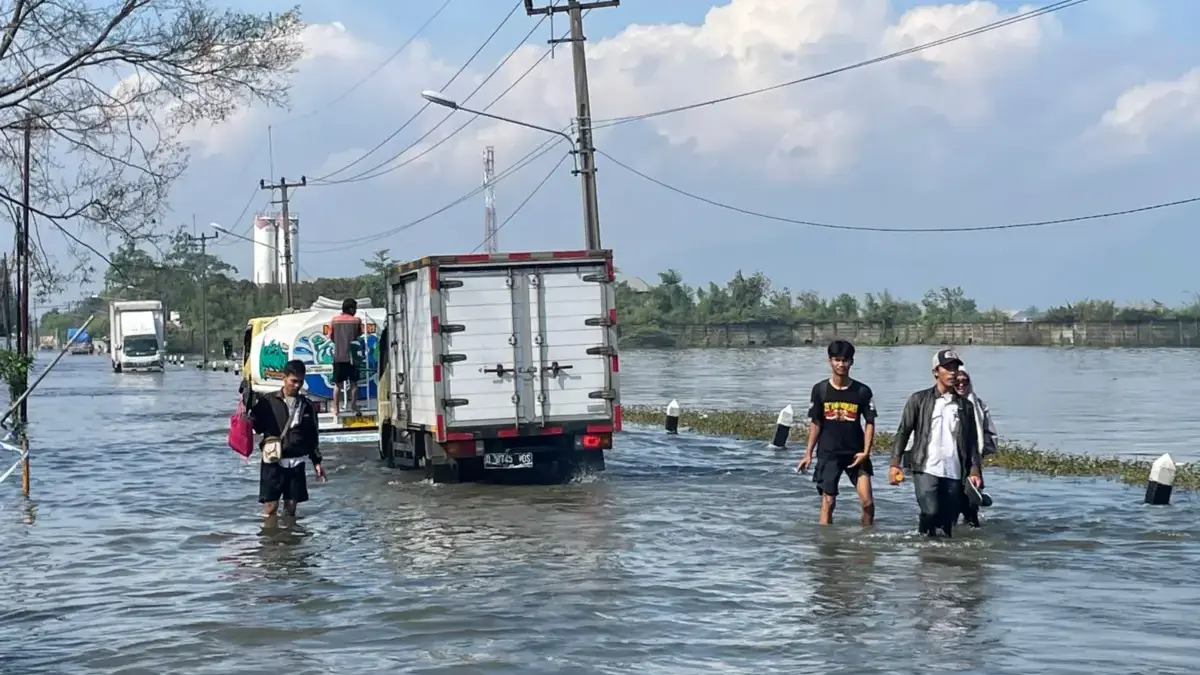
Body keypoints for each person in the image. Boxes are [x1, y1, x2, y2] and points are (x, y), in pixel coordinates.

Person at [887, 349, 983, 537]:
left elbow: (972, 442)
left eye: (955, 367)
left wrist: (974, 471)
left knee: (947, 522)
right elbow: (903, 431)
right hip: (926, 467)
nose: (953, 372)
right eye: (947, 368)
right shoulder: (919, 400)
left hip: (954, 471)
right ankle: (923, 544)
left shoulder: (965, 406)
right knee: (930, 511)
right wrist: (894, 464)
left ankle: (939, 560)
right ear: (935, 372)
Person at [796, 340, 878, 526]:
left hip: (856, 453)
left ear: (852, 362)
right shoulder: (820, 390)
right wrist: (808, 453)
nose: (841, 364)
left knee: (868, 503)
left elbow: (870, 422)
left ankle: (866, 543)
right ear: (830, 361)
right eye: (837, 360)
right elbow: (816, 422)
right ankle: (826, 548)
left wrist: (866, 451)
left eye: (845, 360)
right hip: (829, 453)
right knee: (828, 502)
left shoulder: (862, 391)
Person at [244, 359, 325, 518]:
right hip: (272, 461)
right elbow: (257, 427)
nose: (297, 385)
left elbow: (312, 435)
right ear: (284, 377)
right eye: (293, 381)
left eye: (300, 382)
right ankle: (268, 539)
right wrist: (248, 415)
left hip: (296, 462)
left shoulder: (307, 405)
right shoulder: (267, 402)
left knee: (291, 508)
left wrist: (317, 462)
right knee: (270, 506)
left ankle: (289, 538)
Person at [954, 367, 997, 527]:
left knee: (971, 510)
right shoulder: (940, 404)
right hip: (947, 462)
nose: (961, 385)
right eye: (957, 381)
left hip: (972, 463)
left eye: (965, 381)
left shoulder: (979, 405)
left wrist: (984, 451)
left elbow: (989, 433)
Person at [328, 298, 364, 417]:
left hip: (339, 356)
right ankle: (353, 406)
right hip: (352, 357)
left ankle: (336, 408)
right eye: (355, 309)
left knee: (337, 384)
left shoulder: (334, 320)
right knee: (354, 383)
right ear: (351, 309)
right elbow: (360, 334)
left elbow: (331, 336)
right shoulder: (357, 321)